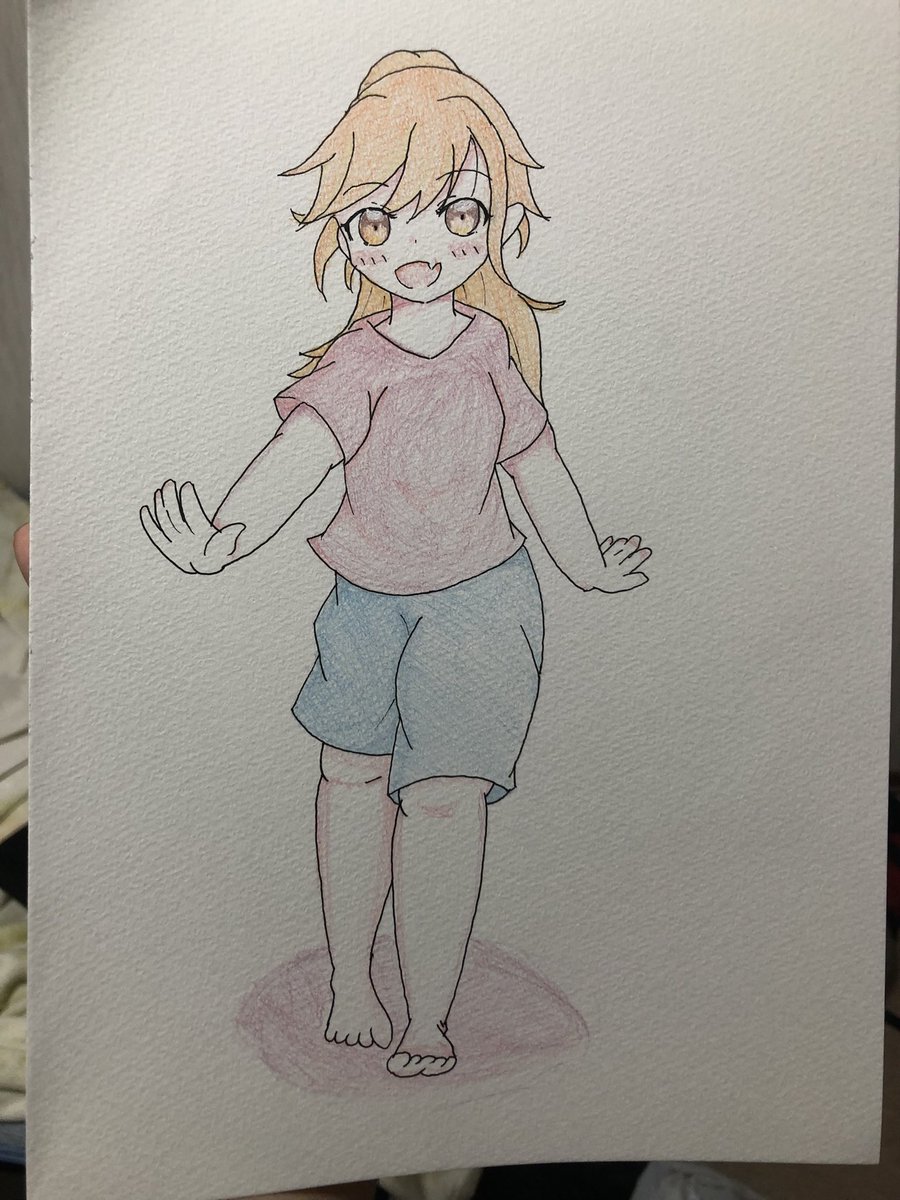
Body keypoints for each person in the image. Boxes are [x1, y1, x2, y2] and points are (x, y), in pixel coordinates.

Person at [139, 49, 652, 1082]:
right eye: (379, 220)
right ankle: (349, 982)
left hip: (483, 609)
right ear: (345, 233)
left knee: (447, 803)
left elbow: (535, 459)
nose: (417, 246)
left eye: (454, 213)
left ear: (495, 219)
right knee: (350, 780)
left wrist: (587, 562)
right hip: (365, 605)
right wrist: (225, 536)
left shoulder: (491, 347)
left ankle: (428, 1015)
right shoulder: (358, 361)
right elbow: (302, 454)